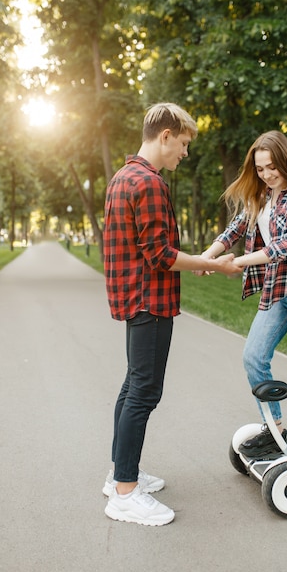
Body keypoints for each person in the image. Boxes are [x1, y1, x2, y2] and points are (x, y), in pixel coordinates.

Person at [102, 102, 236, 526]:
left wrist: (194, 258)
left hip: (133, 299)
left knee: (132, 387)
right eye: (182, 144)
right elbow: (159, 254)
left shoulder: (123, 176)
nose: (185, 153)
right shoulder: (150, 183)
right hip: (149, 301)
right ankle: (124, 492)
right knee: (144, 391)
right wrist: (214, 263)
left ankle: (120, 474)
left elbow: (152, 250)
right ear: (164, 136)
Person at [200, 130, 287, 485]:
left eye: (272, 167)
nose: (267, 175)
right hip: (277, 289)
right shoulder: (260, 194)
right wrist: (208, 257)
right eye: (260, 169)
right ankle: (276, 429)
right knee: (253, 356)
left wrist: (238, 263)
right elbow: (234, 229)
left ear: (286, 160)